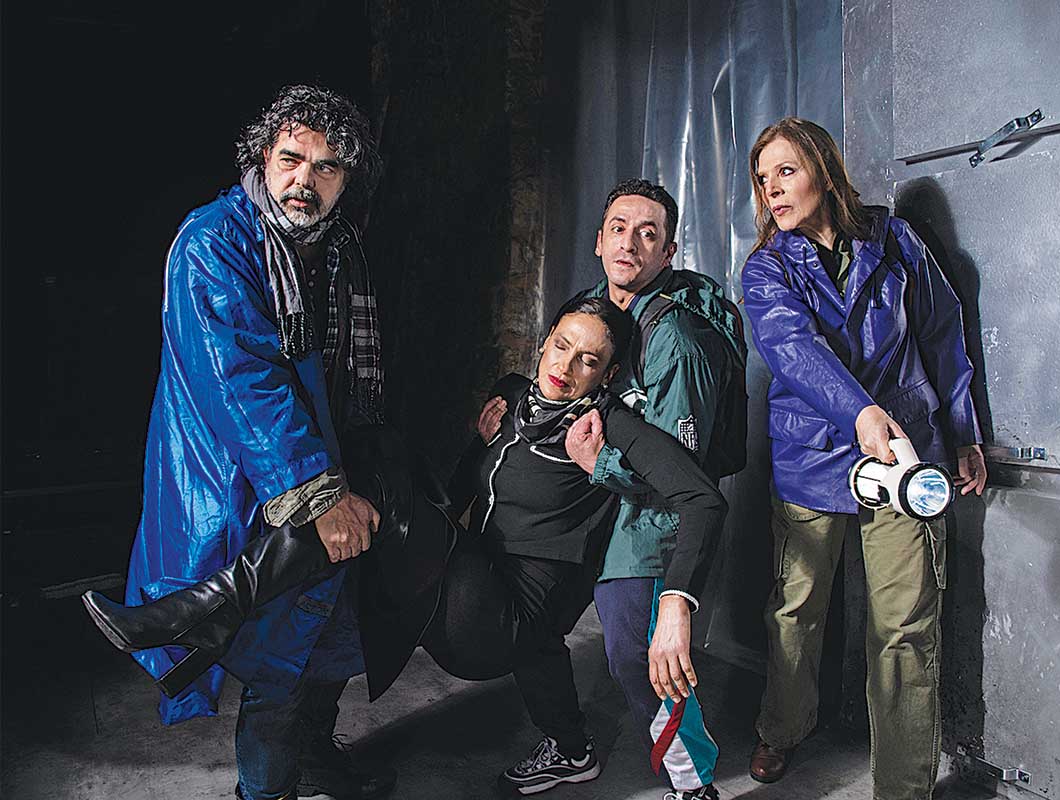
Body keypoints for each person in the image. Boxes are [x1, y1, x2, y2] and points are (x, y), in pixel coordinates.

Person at [86, 295, 727, 800]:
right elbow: (464, 487)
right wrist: (472, 455)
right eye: (561, 345)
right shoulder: (513, 396)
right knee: (364, 503)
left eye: (588, 360)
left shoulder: (610, 425)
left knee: (375, 477)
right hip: (472, 578)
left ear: (608, 374)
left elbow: (703, 498)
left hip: (506, 618)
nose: (566, 366)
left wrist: (676, 600)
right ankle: (222, 627)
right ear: (543, 343)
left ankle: (207, 609)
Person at [97, 84, 395, 800]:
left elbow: (345, 368)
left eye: (326, 166)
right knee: (280, 655)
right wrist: (318, 492)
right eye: (291, 158)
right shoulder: (214, 240)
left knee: (330, 636)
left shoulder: (338, 247)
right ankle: (265, 791)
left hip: (322, 453)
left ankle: (314, 753)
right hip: (244, 473)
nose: (305, 180)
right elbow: (242, 380)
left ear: (346, 178)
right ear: (261, 158)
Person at [739, 117, 987, 799]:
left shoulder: (897, 240)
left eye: (785, 171)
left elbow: (942, 332)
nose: (772, 190)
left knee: (906, 623)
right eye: (762, 179)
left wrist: (962, 432)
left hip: (905, 454)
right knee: (796, 608)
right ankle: (782, 727)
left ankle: (904, 787)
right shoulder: (766, 269)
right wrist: (860, 414)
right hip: (813, 453)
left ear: (823, 170)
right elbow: (793, 350)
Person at [495, 179, 745, 800]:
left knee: (637, 655)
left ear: (669, 252)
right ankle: (569, 746)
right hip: (591, 498)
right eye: (618, 228)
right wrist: (506, 395)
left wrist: (599, 463)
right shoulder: (592, 307)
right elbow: (554, 378)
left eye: (648, 234)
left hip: (647, 516)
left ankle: (692, 785)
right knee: (528, 619)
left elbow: (683, 480)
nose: (629, 243)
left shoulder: (679, 342)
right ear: (599, 240)